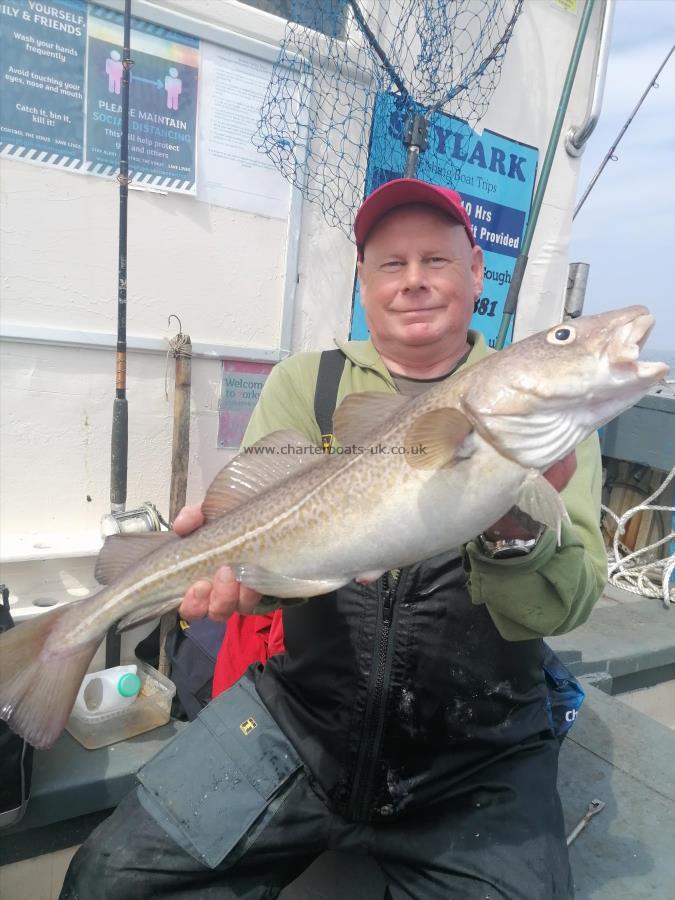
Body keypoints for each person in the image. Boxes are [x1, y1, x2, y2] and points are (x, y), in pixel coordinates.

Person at [61, 179, 607, 899]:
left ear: (476, 270)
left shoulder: (553, 417)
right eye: (390, 264)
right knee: (109, 880)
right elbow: (260, 577)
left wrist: (509, 524)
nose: (413, 282)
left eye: (436, 261)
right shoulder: (308, 384)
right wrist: (237, 584)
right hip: (301, 725)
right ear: (362, 282)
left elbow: (567, 604)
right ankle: (56, 648)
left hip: (475, 758)